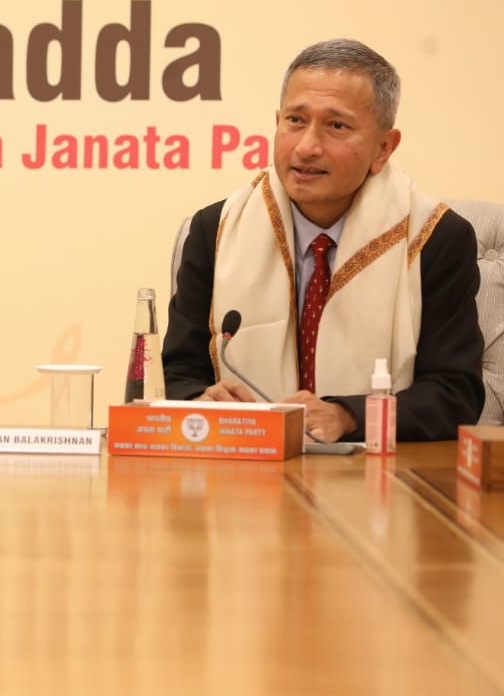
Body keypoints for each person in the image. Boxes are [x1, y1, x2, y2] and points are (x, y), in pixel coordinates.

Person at [162, 39, 483, 442]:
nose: (307, 147)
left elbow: (455, 393)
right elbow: (180, 373)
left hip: (377, 482)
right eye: (295, 121)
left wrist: (348, 416)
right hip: (244, 474)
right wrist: (200, 402)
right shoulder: (216, 228)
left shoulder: (436, 237)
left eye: (336, 126)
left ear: (383, 147)